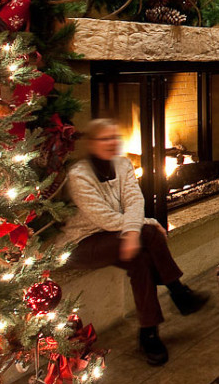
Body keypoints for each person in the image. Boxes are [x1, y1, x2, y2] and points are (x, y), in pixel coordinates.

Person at [63, 119, 208, 366]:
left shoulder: (123, 164)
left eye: (114, 138)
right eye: (103, 138)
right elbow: (103, 218)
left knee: (140, 258)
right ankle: (177, 290)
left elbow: (134, 201)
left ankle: (149, 332)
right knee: (149, 234)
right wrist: (141, 227)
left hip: (115, 236)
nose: (111, 143)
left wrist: (133, 230)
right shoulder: (79, 175)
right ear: (91, 144)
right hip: (82, 244)